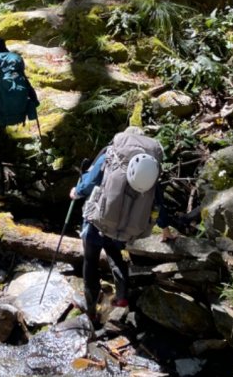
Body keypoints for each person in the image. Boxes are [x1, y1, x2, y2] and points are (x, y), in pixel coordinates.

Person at [70, 126, 175, 326]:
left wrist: (77, 191)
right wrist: (165, 228)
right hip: (125, 229)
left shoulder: (113, 155)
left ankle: (91, 310)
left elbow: (90, 181)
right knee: (115, 256)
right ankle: (121, 298)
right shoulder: (149, 169)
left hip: (97, 223)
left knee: (90, 261)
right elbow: (157, 202)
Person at [0, 37, 39, 194]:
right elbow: (27, 85)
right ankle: (9, 175)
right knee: (0, 139)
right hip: (14, 112)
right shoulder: (15, 62)